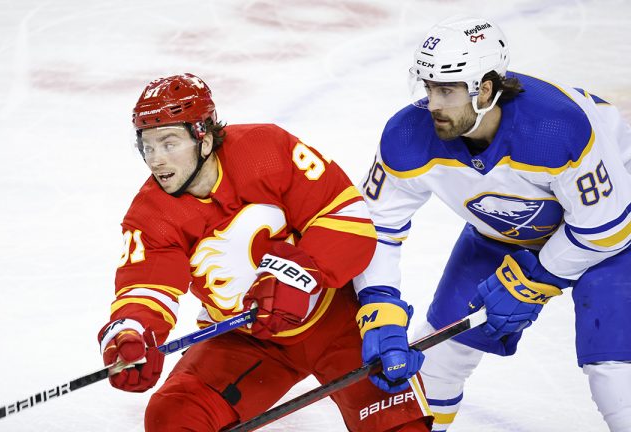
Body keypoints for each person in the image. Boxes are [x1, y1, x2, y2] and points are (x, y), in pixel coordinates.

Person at [97, 73, 433, 431]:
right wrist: (130, 335)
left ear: (204, 137)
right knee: (173, 415)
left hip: (337, 319)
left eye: (168, 143)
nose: (156, 161)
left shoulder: (265, 149)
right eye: (147, 146)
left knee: (401, 426)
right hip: (246, 339)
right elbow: (146, 288)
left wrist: (295, 275)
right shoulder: (151, 214)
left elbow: (346, 218)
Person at [355, 15, 631, 432]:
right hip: (503, 233)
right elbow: (376, 229)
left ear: (485, 89)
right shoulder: (406, 136)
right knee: (440, 358)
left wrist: (533, 282)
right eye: (429, 88)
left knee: (613, 367)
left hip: (610, 238)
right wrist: (379, 305)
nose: (432, 104)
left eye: (447, 91)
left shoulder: (557, 127)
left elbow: (606, 229)